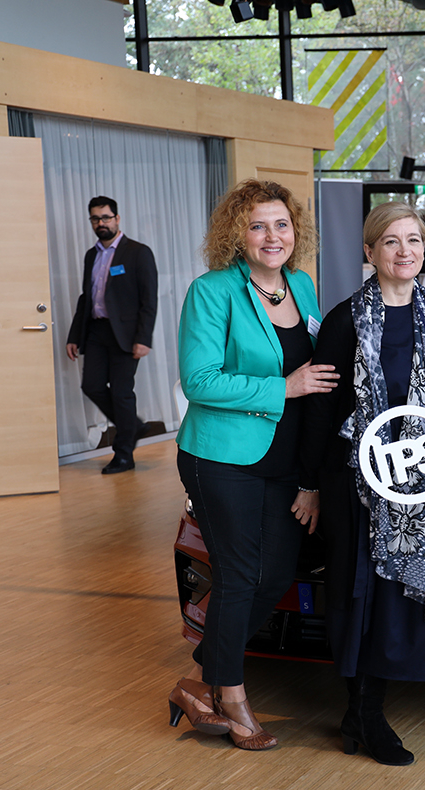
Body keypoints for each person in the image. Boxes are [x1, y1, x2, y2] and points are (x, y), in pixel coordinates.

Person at [301, 203, 425, 765]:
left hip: (420, 483)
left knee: (396, 601)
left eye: (413, 240)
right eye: (390, 241)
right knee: (362, 595)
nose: (404, 251)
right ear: (370, 252)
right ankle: (365, 716)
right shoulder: (345, 321)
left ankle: (362, 712)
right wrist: (309, 484)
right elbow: (320, 409)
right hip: (357, 484)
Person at [168, 179, 338, 751]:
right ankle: (233, 696)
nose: (272, 236)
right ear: (236, 234)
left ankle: (199, 680)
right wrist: (282, 386)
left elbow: (319, 367)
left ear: (296, 231)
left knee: (275, 574)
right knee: (240, 574)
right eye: (258, 225)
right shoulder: (212, 291)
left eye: (281, 224)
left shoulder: (302, 285)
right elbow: (199, 380)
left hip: (286, 460)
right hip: (221, 457)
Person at [65, 195, 159, 474]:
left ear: (117, 219)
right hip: (96, 331)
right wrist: (74, 336)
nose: (101, 223)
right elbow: (86, 297)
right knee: (91, 386)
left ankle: (124, 456)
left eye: (106, 217)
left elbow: (149, 300)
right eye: (95, 218)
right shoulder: (91, 255)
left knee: (120, 393)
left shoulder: (138, 252)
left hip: (126, 335)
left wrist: (144, 338)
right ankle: (134, 426)